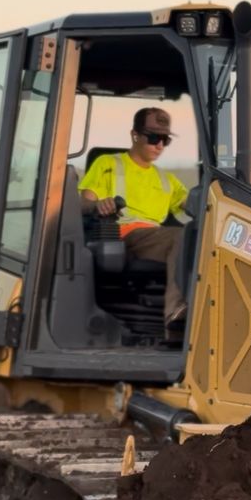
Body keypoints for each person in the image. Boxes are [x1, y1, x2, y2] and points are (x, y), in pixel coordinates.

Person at [78, 107, 189, 335]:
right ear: (135, 135)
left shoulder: (167, 179)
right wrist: (99, 204)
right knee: (183, 235)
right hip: (125, 234)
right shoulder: (107, 164)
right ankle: (176, 314)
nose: (159, 145)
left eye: (165, 140)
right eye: (154, 138)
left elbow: (196, 203)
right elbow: (82, 204)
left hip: (156, 239)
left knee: (202, 237)